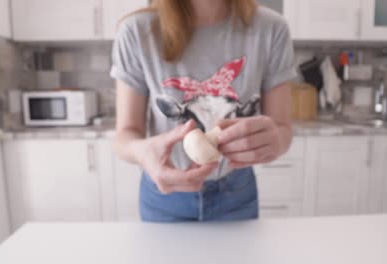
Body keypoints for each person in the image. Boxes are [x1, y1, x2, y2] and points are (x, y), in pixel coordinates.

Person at [110, 0, 296, 222]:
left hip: (236, 193)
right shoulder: (136, 32)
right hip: (164, 196)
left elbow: (282, 129)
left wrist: (275, 142)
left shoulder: (271, 29)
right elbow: (125, 135)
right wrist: (143, 152)